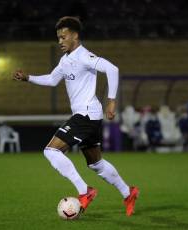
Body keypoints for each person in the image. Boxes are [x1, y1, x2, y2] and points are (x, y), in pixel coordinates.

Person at [13, 16, 139, 216]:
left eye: (63, 37)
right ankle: (128, 192)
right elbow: (52, 80)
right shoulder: (65, 61)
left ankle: (85, 191)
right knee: (96, 163)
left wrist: (112, 101)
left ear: (75, 36)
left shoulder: (83, 56)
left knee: (51, 151)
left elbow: (112, 69)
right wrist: (28, 78)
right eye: (58, 38)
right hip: (89, 115)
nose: (60, 41)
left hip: (86, 114)